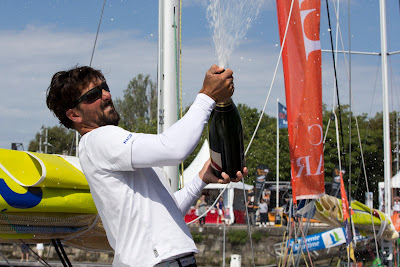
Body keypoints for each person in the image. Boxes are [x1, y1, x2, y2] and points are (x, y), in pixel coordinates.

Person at [46, 64, 248, 267]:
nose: (106, 95)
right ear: (74, 116)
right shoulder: (98, 139)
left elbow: (169, 212)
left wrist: (201, 179)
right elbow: (173, 148)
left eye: (105, 87)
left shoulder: (103, 147)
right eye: (93, 95)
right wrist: (207, 96)